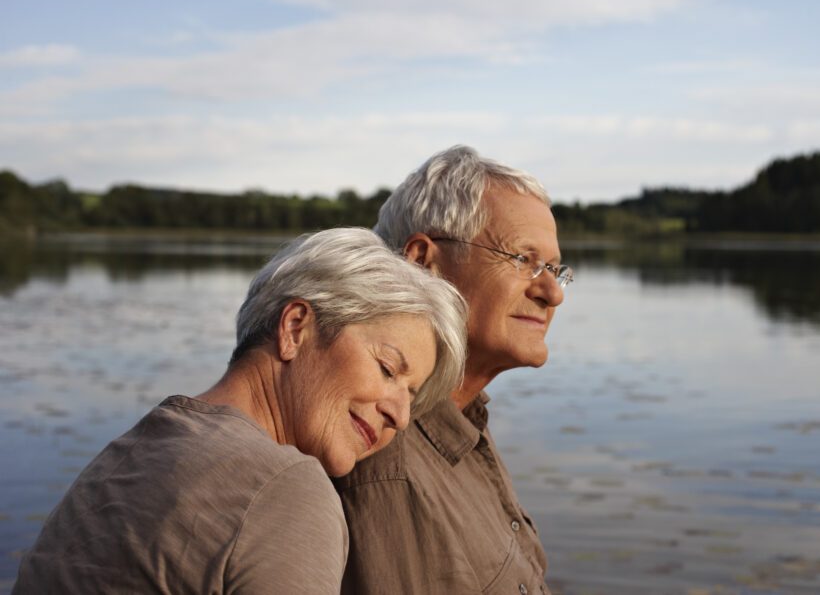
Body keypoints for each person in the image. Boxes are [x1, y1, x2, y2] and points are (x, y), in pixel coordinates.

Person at [14, 228, 467, 594]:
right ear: (294, 328)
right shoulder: (284, 487)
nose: (401, 415)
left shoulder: (129, 452)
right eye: (389, 369)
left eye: (412, 393)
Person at [335, 146, 573, 594]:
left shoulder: (463, 417)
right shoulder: (388, 463)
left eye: (556, 270)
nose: (552, 293)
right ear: (424, 261)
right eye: (524, 260)